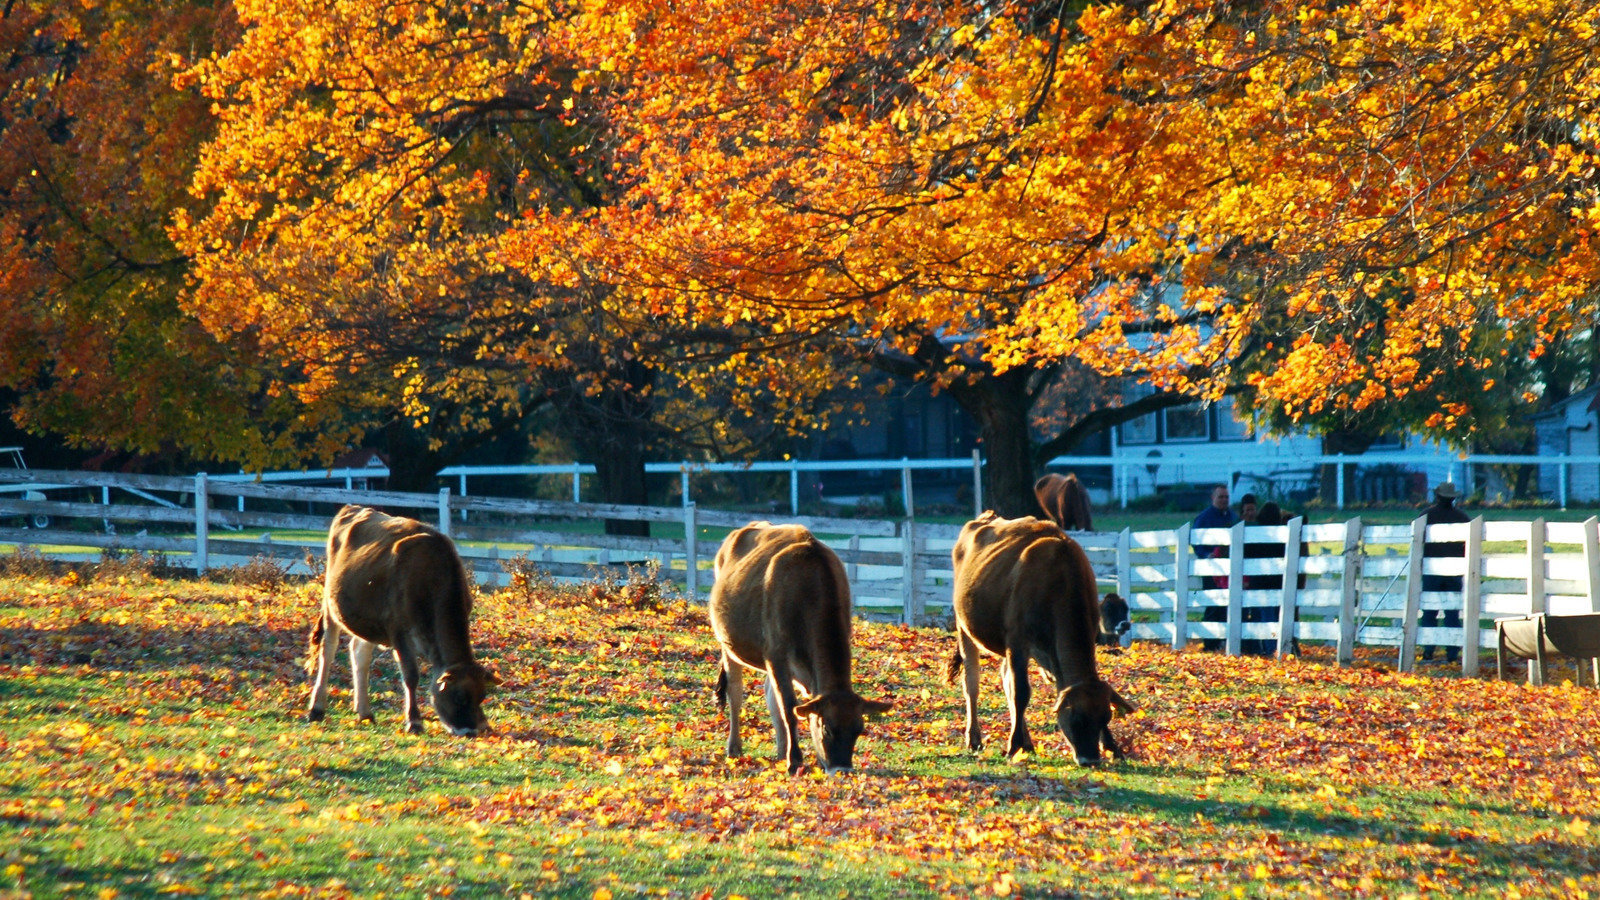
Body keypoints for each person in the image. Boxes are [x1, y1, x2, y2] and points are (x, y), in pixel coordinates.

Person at [1420, 482, 1470, 662]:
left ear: (1437, 496)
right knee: (1452, 613)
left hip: (1431, 570)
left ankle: (1428, 649)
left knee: (1429, 611)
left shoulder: (1426, 516)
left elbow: (1419, 542)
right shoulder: (1462, 517)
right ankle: (1452, 652)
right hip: (1454, 571)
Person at [1193, 485, 1238, 650]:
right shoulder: (1204, 518)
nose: (1224, 500)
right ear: (1213, 498)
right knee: (1213, 604)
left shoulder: (1233, 516)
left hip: (1229, 569)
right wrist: (1206, 555)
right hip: (1211, 569)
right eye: (1221, 497)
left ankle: (1223, 640)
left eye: (1226, 497)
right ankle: (1210, 643)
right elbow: (1196, 541)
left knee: (1227, 604)